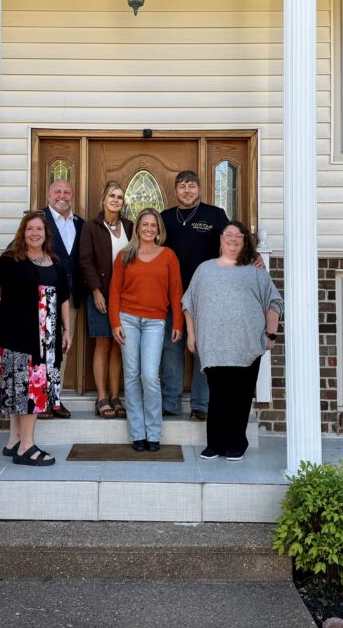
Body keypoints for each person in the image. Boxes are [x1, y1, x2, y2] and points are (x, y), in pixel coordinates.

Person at [183, 221, 282, 462]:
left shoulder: (256, 270)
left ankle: (237, 443)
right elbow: (188, 304)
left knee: (241, 396)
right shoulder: (205, 269)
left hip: (246, 344)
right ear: (220, 239)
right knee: (217, 396)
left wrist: (271, 335)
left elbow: (274, 302)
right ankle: (215, 444)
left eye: (239, 236)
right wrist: (192, 334)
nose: (233, 239)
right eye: (228, 234)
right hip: (214, 344)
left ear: (245, 240)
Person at [0, 212, 72, 467]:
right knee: (24, 388)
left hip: (47, 338)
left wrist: (67, 329)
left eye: (39, 229)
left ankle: (15, 440)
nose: (35, 233)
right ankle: (26, 447)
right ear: (22, 233)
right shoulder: (9, 260)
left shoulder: (55, 263)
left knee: (28, 388)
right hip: (19, 334)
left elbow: (64, 299)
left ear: (46, 234)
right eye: (30, 229)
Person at [109, 208, 183, 453]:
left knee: (149, 376)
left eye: (153, 225)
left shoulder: (168, 256)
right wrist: (115, 323)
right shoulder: (125, 255)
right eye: (145, 224)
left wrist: (178, 323)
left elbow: (175, 292)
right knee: (131, 376)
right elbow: (114, 293)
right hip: (127, 320)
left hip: (155, 322)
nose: (149, 229)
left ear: (159, 229)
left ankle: (154, 432)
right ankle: (137, 433)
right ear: (138, 228)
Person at [159, 170, 230, 421]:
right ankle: (170, 402)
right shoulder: (165, 218)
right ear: (175, 191)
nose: (186, 190)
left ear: (199, 190)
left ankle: (200, 404)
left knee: (202, 349)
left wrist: (251, 255)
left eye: (191, 186)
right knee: (171, 348)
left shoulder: (215, 215)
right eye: (181, 186)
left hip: (206, 294)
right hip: (171, 296)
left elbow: (234, 241)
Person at [78, 181, 133, 419]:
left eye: (120, 197)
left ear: (123, 202)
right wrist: (96, 291)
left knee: (118, 347)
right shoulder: (91, 227)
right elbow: (85, 261)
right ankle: (101, 397)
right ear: (104, 199)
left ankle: (115, 396)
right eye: (112, 195)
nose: (116, 200)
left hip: (126, 295)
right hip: (101, 294)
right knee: (103, 344)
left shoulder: (130, 226)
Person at [39, 179, 85, 419]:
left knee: (62, 350)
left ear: (73, 196)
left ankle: (54, 399)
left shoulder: (81, 224)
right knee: (41, 351)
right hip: (42, 299)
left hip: (71, 298)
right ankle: (40, 401)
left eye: (67, 191)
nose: (62, 195)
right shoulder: (38, 222)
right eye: (57, 191)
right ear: (49, 194)